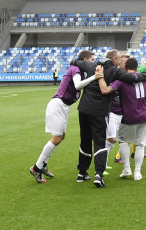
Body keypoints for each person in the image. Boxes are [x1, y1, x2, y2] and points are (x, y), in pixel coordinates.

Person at [71, 49, 146, 187]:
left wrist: (80, 64)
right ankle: (98, 175)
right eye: (119, 59)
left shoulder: (91, 65)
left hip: (83, 108)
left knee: (85, 140)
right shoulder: (115, 71)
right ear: (114, 60)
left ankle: (82, 173)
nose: (120, 62)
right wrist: (145, 75)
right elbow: (133, 78)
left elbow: (75, 61)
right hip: (99, 110)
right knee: (100, 141)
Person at [29, 50, 97, 184]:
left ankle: (43, 165)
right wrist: (95, 77)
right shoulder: (76, 69)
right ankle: (37, 167)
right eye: (91, 60)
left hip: (63, 106)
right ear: (85, 60)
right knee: (57, 138)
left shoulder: (80, 71)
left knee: (61, 137)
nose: (93, 62)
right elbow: (77, 85)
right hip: (59, 104)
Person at [99, 58, 146, 181]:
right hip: (144, 116)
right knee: (140, 145)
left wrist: (100, 78)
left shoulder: (121, 80)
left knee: (123, 142)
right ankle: (137, 173)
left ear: (125, 67)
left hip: (129, 116)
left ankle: (127, 169)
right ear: (137, 67)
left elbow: (105, 90)